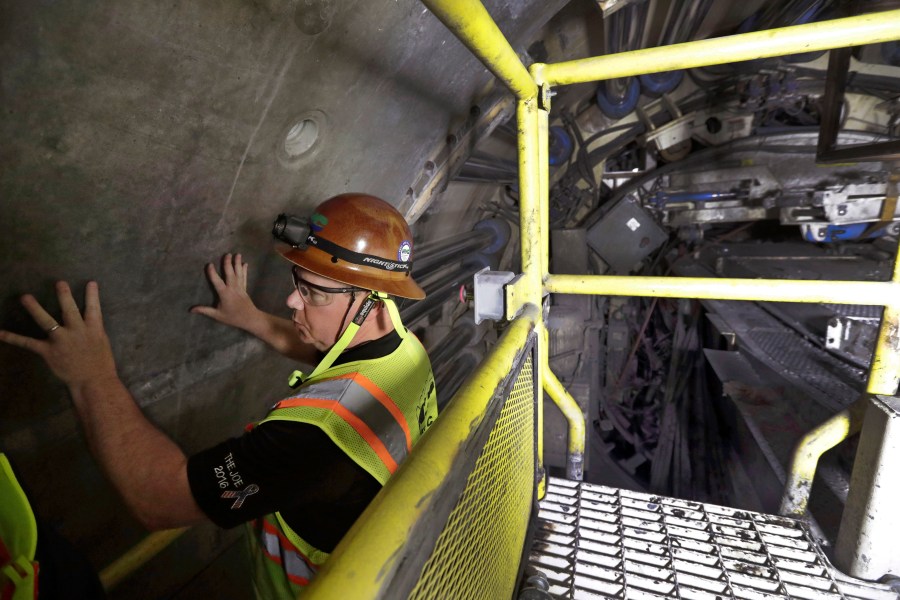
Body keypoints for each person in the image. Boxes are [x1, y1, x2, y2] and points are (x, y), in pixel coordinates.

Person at [0, 193, 439, 598]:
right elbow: (331, 350)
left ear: (370, 302)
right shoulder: (402, 347)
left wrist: (90, 375)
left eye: (312, 293)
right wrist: (250, 318)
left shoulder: (320, 436)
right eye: (297, 282)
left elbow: (156, 498)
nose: (291, 301)